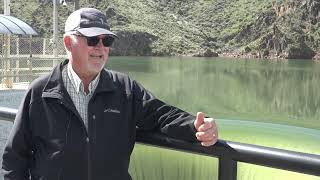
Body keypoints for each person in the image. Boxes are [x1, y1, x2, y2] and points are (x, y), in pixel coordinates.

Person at [2, 8, 218, 180]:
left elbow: (161, 115)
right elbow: (15, 158)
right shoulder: (41, 92)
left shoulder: (124, 88)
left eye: (107, 41)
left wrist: (196, 126)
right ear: (68, 42)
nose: (101, 47)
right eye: (92, 40)